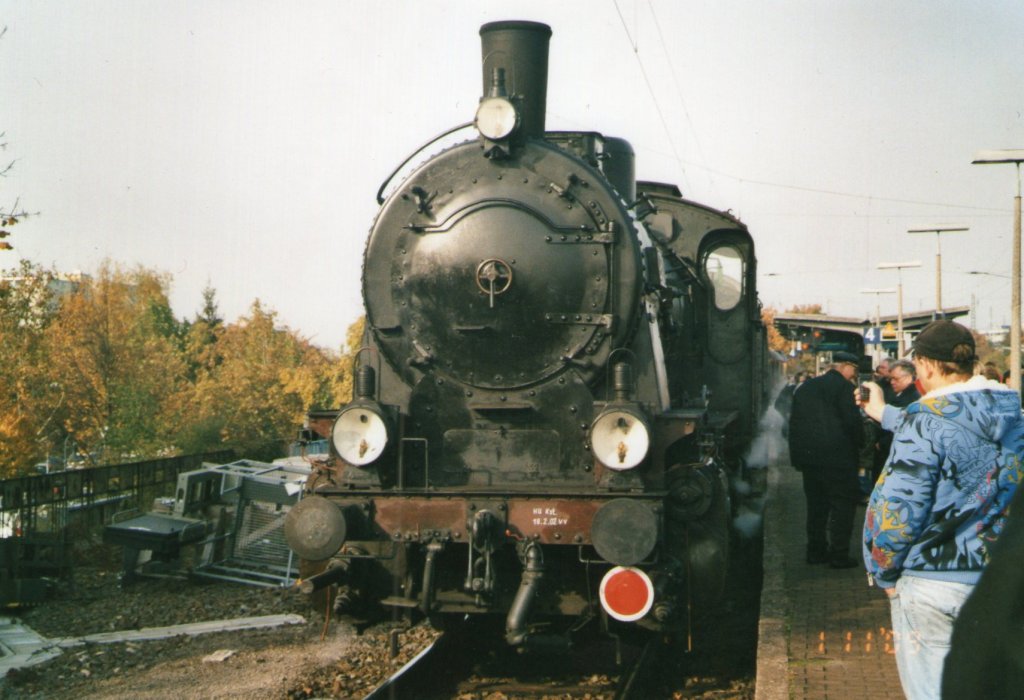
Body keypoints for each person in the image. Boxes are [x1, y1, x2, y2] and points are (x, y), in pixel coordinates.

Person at [859, 320, 1024, 700]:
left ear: (927, 366)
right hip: (997, 580)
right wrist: (885, 414)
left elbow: (898, 508)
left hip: (930, 582)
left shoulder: (923, 421)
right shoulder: (1014, 416)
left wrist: (883, 571)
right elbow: (960, 435)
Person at [788, 351, 863, 568]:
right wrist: (859, 443)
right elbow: (852, 423)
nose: (854, 376)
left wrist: (798, 457)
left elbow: (794, 424)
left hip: (810, 460)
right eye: (855, 371)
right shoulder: (845, 388)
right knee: (842, 506)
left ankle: (815, 551)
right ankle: (839, 555)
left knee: (816, 507)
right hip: (839, 460)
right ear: (846, 367)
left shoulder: (806, 387)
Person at [870, 358, 921, 484]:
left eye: (896, 379)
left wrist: (882, 443)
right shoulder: (902, 395)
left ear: (909, 377)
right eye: (890, 378)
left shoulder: (911, 399)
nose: (892, 382)